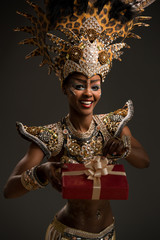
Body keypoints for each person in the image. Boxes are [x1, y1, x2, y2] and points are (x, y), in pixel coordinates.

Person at [3, 0, 155, 239]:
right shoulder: (54, 136)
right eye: (78, 86)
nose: (88, 93)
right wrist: (42, 172)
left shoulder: (113, 126)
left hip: (108, 232)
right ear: (65, 88)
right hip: (68, 234)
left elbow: (144, 161)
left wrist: (123, 148)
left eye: (95, 86)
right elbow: (9, 191)